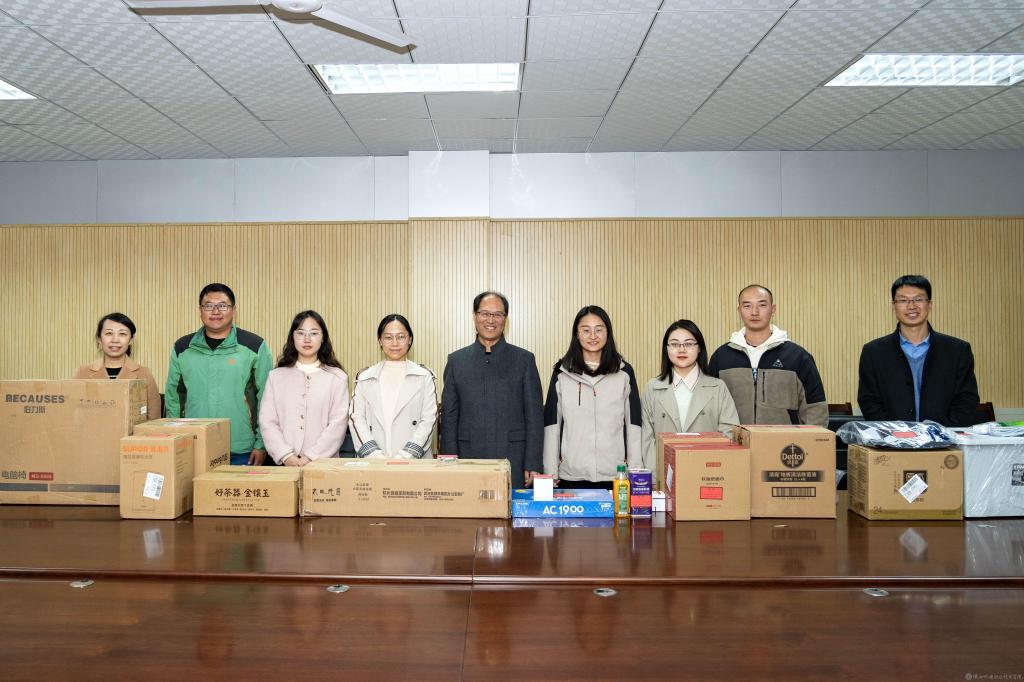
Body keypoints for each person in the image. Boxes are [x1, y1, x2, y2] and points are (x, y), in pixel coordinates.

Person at [440, 291, 543, 489]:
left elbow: (535, 416)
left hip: (514, 457)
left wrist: (533, 463)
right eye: (484, 313)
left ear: (505, 319)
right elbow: (449, 417)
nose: (490, 320)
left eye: (498, 314)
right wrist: (448, 461)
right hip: (467, 457)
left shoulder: (524, 360)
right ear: (474, 316)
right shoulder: (456, 361)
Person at [165, 283, 273, 465]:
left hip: (241, 448)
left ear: (234, 310)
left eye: (222, 305)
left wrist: (261, 444)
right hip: (193, 443)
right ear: (200, 311)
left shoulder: (254, 346)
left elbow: (267, 398)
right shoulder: (183, 348)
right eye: (208, 306)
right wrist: (173, 437)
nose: (215, 311)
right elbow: (174, 396)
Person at [858, 274, 979, 426]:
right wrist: (895, 433)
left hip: (945, 437)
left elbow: (966, 399)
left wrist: (940, 433)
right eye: (903, 300)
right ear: (893, 306)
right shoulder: (873, 352)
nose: (911, 306)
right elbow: (869, 401)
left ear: (930, 304)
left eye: (919, 299)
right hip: (892, 438)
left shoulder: (958, 350)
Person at [542, 305, 642, 489]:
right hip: (571, 475)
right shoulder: (562, 373)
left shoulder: (624, 373)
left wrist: (636, 473)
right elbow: (552, 425)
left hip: (616, 475)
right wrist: (550, 474)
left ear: (607, 333)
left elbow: (633, 424)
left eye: (599, 329)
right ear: (577, 334)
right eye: (586, 330)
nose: (593, 336)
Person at [708, 284, 827, 427]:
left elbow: (815, 407)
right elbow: (709, 407)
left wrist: (811, 440)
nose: (754, 312)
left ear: (773, 309)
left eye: (762, 305)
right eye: (747, 306)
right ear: (739, 311)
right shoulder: (721, 357)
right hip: (733, 440)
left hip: (785, 441)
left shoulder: (798, 356)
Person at [641, 319, 740, 471]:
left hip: (707, 474)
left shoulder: (718, 388)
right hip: (663, 474)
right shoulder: (652, 388)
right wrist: (658, 475)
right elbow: (646, 439)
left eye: (688, 344)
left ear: (699, 348)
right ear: (666, 349)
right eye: (675, 344)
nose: (682, 349)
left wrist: (710, 470)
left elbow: (729, 435)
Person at [259, 310, 349, 467]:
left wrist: (311, 457)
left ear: (323, 338)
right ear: (293, 337)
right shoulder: (276, 376)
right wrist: (286, 456)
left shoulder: (337, 377)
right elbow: (267, 422)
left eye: (314, 333)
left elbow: (338, 424)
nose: (307, 339)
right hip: (285, 465)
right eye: (301, 333)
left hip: (324, 464)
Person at [350, 314, 438, 459]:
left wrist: (405, 456)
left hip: (414, 463)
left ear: (410, 339)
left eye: (401, 337)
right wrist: (375, 456)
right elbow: (356, 418)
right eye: (388, 337)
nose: (395, 343)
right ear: (380, 340)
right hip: (374, 462)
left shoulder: (424, 376)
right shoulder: (365, 377)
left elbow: (429, 419)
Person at [73, 312, 162, 420]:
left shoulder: (144, 373)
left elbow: (154, 419)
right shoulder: (82, 373)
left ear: (131, 339)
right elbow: (73, 414)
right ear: (99, 338)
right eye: (109, 333)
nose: (115, 340)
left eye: (122, 334)